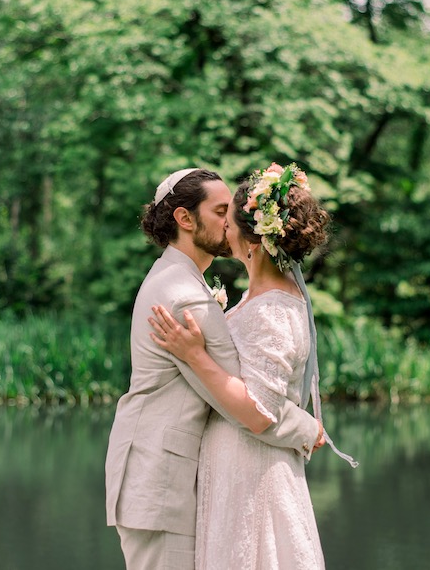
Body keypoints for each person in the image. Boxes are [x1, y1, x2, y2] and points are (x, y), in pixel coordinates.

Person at [105, 167, 325, 570]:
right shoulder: (186, 297)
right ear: (185, 219)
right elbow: (253, 404)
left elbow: (250, 396)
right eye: (221, 210)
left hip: (168, 480)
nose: (231, 222)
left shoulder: (175, 279)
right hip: (162, 484)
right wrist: (309, 429)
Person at [148, 162, 357, 570]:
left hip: (252, 473)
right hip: (235, 469)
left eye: (230, 221)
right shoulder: (259, 299)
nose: (224, 228)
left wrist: (195, 356)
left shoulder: (273, 310)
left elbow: (258, 412)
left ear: (253, 241)